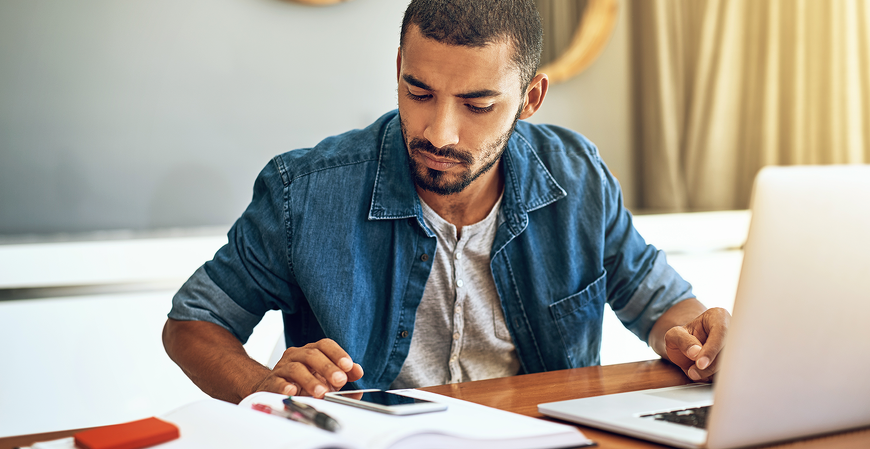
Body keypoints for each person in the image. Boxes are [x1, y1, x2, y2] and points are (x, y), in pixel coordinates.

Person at [163, 0, 730, 404]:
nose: (440, 133)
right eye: (419, 92)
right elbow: (192, 323)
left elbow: (660, 304)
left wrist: (695, 338)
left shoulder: (578, 176)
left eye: (477, 104)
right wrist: (263, 388)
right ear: (399, 72)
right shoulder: (304, 191)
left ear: (530, 98)